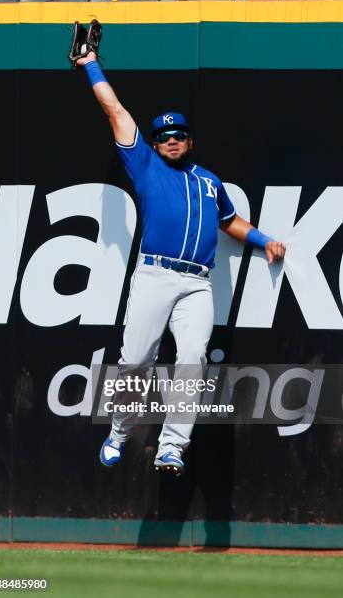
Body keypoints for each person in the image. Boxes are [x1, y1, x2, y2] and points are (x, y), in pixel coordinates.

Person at [76, 52, 286, 477]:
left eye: (179, 135)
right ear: (154, 143)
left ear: (190, 141)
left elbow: (229, 221)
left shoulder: (210, 181)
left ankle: (172, 447)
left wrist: (263, 240)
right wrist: (90, 65)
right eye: (164, 135)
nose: (171, 140)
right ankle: (119, 431)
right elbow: (114, 110)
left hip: (198, 283)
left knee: (193, 359)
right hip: (155, 273)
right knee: (136, 361)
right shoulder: (145, 164)